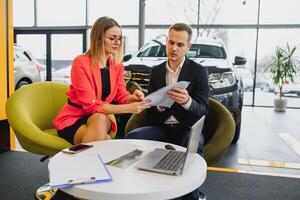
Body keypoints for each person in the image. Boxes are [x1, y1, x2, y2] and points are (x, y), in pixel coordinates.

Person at [125, 23, 209, 200]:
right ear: (166, 42)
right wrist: (158, 105)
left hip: (187, 128)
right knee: (133, 137)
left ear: (188, 47)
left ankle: (191, 195)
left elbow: (202, 110)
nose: (174, 48)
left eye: (180, 45)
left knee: (192, 145)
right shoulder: (156, 72)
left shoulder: (199, 72)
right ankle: (140, 190)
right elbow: (151, 115)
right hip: (162, 128)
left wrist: (187, 101)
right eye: (171, 43)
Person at [53, 16, 149, 145]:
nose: (117, 42)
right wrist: (128, 108)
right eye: (112, 38)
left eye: (119, 38)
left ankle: (84, 162)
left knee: (99, 119)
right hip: (74, 119)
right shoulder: (80, 63)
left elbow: (121, 95)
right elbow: (91, 105)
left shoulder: (117, 67)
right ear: (98, 39)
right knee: (104, 139)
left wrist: (133, 98)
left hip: (101, 118)